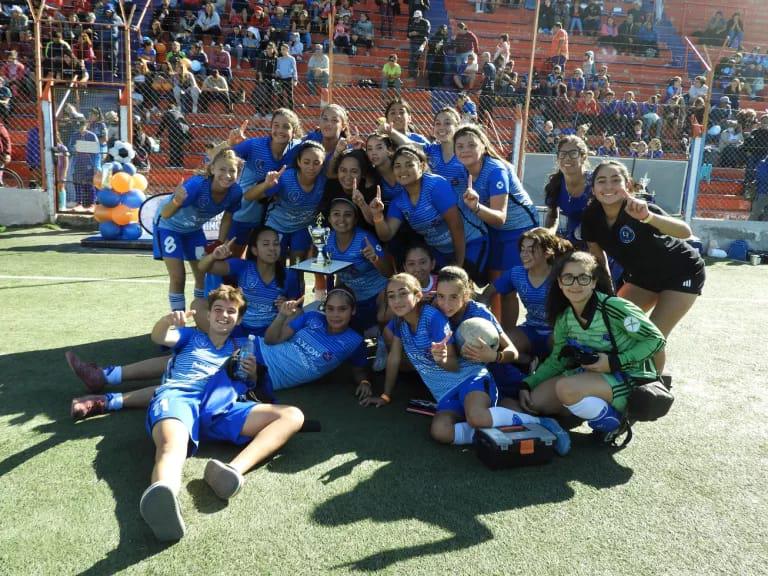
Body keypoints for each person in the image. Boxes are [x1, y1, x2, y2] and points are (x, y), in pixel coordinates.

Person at [138, 286, 305, 540]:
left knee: (292, 415)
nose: (223, 315)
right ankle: (165, 495)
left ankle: (230, 472)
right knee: (173, 445)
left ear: (238, 319)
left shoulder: (243, 346)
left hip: (220, 408)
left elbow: (252, 387)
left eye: (231, 311)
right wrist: (166, 321)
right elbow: (160, 337)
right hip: (180, 397)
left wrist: (252, 375)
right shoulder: (190, 337)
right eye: (218, 309)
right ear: (208, 314)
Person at [363, 273, 570, 452]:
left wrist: (442, 358)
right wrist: (385, 395)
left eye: (403, 294)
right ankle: (494, 428)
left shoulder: (434, 317)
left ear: (418, 295)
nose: (397, 300)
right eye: (392, 296)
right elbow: (394, 358)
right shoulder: (399, 322)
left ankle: (541, 423)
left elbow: (452, 364)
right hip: (445, 394)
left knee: (478, 417)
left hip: (471, 378)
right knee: (441, 432)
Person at [515, 251, 665, 443]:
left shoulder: (615, 308)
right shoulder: (565, 318)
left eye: (583, 278)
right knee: (536, 402)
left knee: (565, 388)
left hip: (626, 375)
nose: (575, 284)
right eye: (568, 278)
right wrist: (528, 383)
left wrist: (614, 362)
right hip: (590, 375)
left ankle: (617, 422)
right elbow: (557, 360)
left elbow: (656, 340)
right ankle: (589, 408)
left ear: (594, 282)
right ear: (560, 283)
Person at [582, 161, 704, 373]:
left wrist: (648, 217)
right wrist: (608, 290)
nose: (608, 187)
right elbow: (598, 256)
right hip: (642, 277)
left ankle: (654, 389)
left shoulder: (638, 208)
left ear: (627, 185)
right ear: (593, 189)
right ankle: (622, 378)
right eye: (601, 181)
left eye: (615, 180)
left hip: (681, 272)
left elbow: (685, 231)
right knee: (613, 322)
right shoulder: (591, 216)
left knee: (651, 335)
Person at [455, 125, 538, 320]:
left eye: (471, 145)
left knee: (508, 287)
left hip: (519, 230)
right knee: (494, 282)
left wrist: (475, 207)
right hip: (490, 229)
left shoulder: (495, 170)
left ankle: (510, 337)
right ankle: (494, 330)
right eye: (459, 146)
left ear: (483, 146)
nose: (465, 150)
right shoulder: (461, 170)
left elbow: (500, 218)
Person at [153, 148, 242, 314]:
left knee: (203, 273)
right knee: (178, 277)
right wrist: (178, 201)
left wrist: (219, 242)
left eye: (232, 171)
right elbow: (165, 214)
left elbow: (228, 217)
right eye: (222, 169)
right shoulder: (196, 185)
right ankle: (179, 322)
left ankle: (200, 316)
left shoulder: (236, 191)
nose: (227, 175)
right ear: (212, 169)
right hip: (168, 226)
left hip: (193, 230)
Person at [368, 145, 466, 268]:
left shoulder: (435, 185)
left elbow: (456, 226)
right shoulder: (399, 202)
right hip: (439, 251)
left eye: (409, 165)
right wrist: (378, 216)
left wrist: (460, 263)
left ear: (422, 166)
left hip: (469, 244)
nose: (403, 170)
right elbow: (386, 235)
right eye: (397, 166)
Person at [198, 227, 303, 337]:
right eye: (266, 244)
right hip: (238, 328)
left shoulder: (289, 275)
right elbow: (203, 267)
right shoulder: (242, 266)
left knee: (298, 313)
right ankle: (222, 341)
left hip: (269, 332)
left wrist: (286, 305)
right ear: (254, 250)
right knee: (198, 304)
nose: (272, 248)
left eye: (276, 244)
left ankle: (268, 346)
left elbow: (296, 305)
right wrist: (213, 256)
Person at [221, 110, 303, 249]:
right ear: (270, 127)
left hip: (268, 219)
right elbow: (221, 159)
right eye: (276, 125)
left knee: (257, 260)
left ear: (294, 131)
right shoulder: (254, 145)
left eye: (286, 126)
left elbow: (316, 144)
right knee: (231, 257)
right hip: (243, 212)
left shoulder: (296, 149)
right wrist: (229, 144)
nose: (280, 130)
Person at [243, 141, 327, 263]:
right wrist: (266, 185)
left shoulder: (324, 182)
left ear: (322, 165)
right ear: (298, 162)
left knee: (297, 268)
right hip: (277, 226)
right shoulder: (285, 178)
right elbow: (248, 196)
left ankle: (298, 282)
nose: (311, 167)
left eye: (316, 163)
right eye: (306, 162)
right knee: (276, 266)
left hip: (302, 228)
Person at [325, 197, 393, 333]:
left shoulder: (365, 239)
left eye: (348, 215)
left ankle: (383, 346)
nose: (342, 219)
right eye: (336, 214)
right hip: (352, 298)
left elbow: (389, 273)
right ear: (329, 218)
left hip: (378, 294)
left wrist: (375, 258)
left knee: (382, 318)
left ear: (355, 220)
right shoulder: (326, 239)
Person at [543, 135, 592, 244]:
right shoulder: (556, 184)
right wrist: (549, 234)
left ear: (583, 157)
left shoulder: (596, 183)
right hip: (572, 241)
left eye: (573, 153)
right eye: (562, 154)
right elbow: (552, 216)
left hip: (599, 241)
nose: (567, 158)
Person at [406, 10, 430, 78]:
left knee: (415, 57)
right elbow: (408, 33)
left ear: (421, 16)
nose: (416, 18)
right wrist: (410, 34)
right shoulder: (412, 22)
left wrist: (417, 33)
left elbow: (427, 33)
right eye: (415, 17)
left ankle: (416, 74)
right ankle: (412, 75)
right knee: (412, 59)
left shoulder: (426, 22)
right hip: (413, 42)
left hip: (421, 43)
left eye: (417, 17)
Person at [478, 52, 497, 124]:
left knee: (481, 107)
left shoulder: (486, 66)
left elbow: (487, 78)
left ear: (486, 57)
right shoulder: (493, 65)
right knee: (489, 107)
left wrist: (481, 89)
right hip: (491, 89)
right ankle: (490, 124)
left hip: (486, 89)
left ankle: (480, 123)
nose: (482, 59)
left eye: (483, 57)